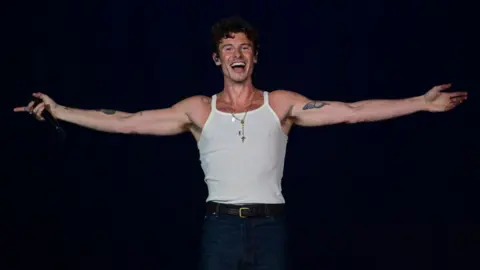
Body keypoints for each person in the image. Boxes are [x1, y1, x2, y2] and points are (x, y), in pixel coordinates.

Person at [14, 16, 467, 270]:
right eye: (228, 47)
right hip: (221, 230)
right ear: (217, 59)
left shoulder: (282, 104)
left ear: (255, 56)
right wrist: (59, 110)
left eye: (244, 47)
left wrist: (420, 103)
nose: (237, 54)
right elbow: (129, 122)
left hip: (271, 228)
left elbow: (351, 110)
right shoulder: (198, 110)